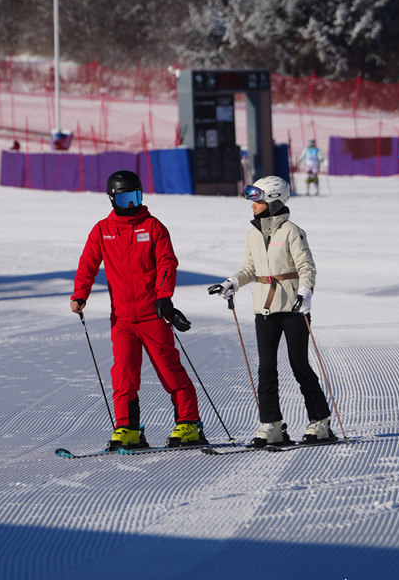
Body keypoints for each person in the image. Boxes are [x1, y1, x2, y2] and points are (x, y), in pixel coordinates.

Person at [71, 169, 203, 450]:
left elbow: (167, 262)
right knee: (123, 375)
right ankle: (127, 429)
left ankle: (189, 424)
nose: (133, 204)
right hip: (122, 319)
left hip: (151, 314)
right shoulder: (102, 230)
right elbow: (88, 264)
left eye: (137, 197)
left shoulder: (153, 227)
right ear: (113, 199)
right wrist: (80, 294)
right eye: (127, 199)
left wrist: (164, 297)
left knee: (170, 370)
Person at [208, 175, 332, 447]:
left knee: (299, 364)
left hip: (293, 308)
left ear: (273, 200)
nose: (252, 204)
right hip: (264, 309)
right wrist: (232, 283)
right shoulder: (253, 234)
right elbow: (250, 269)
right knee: (266, 369)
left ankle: (320, 422)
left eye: (257, 199)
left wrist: (306, 293)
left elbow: (306, 268)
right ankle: (272, 426)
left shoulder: (291, 231)